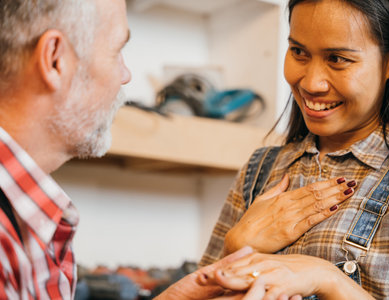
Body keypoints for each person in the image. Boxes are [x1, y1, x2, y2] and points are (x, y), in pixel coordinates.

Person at [0, 0, 355, 299]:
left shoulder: (32, 219)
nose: (126, 76)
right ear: (55, 59)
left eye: (339, 58)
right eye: (116, 52)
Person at [199, 0, 389, 299]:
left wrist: (328, 278)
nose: (312, 83)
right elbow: (199, 291)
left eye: (338, 59)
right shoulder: (261, 166)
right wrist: (235, 246)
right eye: (299, 52)